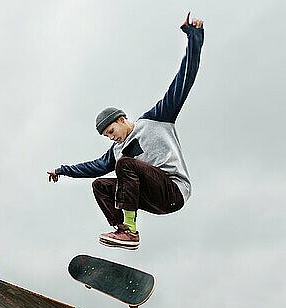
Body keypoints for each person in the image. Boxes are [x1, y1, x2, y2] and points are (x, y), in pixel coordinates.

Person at [48, 13, 204, 250]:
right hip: (151, 199)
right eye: (108, 137)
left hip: (173, 191)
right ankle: (123, 230)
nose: (113, 138)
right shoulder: (116, 151)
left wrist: (194, 36)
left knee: (125, 165)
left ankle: (130, 231)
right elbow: (93, 167)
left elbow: (183, 80)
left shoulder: (155, 120)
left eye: (112, 131)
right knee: (100, 184)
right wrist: (63, 170)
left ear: (122, 119)